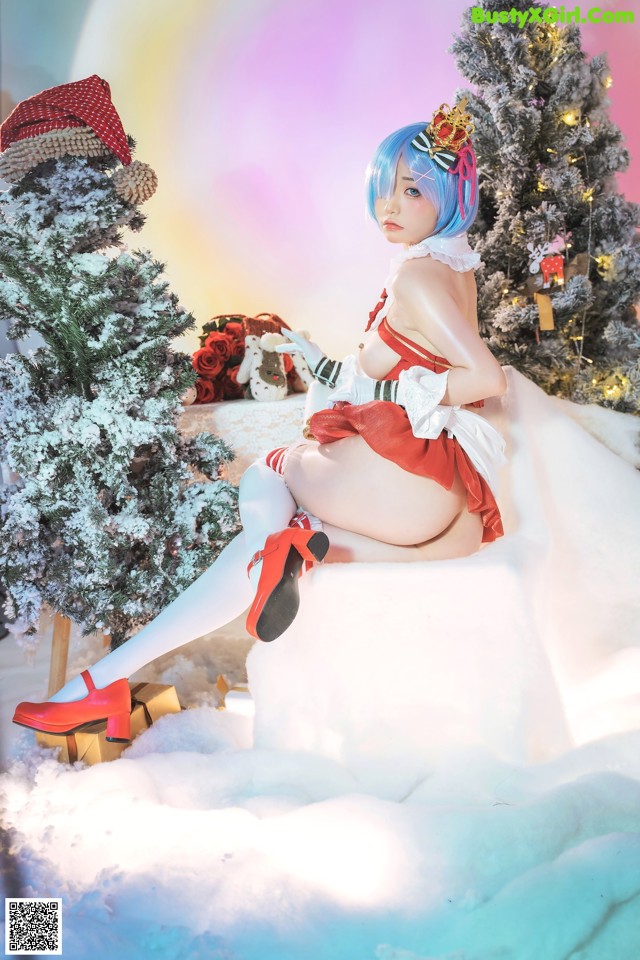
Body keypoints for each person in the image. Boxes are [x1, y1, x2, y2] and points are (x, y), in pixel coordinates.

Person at [13, 99, 507, 744]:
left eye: (412, 190)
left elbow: (483, 378)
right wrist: (338, 372)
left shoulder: (418, 277)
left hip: (406, 483)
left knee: (273, 469)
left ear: (449, 195)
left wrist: (399, 388)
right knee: (262, 543)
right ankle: (106, 682)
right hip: (434, 503)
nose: (391, 205)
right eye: (384, 190)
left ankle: (264, 559)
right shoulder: (447, 268)